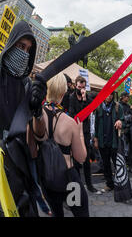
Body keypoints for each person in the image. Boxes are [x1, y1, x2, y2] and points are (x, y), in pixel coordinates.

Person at [0, 20, 49, 216]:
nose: (24, 53)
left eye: (29, 49)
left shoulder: (27, 86)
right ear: (11, 44)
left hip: (21, 167)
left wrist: (37, 111)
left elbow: (40, 135)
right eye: (21, 46)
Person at [30, 73, 89, 217]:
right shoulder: (69, 122)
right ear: (63, 93)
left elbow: (32, 152)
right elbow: (81, 158)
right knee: (80, 212)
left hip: (47, 178)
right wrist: (79, 131)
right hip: (69, 181)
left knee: (57, 213)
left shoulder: (33, 117)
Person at [69, 76, 99, 194]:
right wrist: (81, 102)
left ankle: (89, 184)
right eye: (79, 86)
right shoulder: (71, 97)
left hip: (85, 133)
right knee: (76, 161)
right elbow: (73, 114)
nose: (81, 89)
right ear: (75, 85)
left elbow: (91, 110)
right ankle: (78, 185)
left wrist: (85, 98)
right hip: (75, 132)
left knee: (86, 159)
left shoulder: (88, 98)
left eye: (83, 87)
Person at [93, 93, 124, 193]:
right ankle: (109, 184)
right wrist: (96, 139)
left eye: (111, 94)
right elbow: (95, 125)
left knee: (117, 164)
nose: (109, 96)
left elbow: (124, 119)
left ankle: (121, 183)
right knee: (106, 164)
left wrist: (120, 121)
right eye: (107, 94)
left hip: (114, 141)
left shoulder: (118, 107)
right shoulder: (98, 107)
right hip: (103, 141)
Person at [118, 91, 132, 175]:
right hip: (122, 131)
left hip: (129, 131)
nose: (128, 98)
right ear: (122, 97)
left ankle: (130, 166)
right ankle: (124, 166)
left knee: (129, 150)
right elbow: (120, 118)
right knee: (123, 150)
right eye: (127, 96)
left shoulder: (128, 106)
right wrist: (130, 117)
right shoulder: (118, 106)